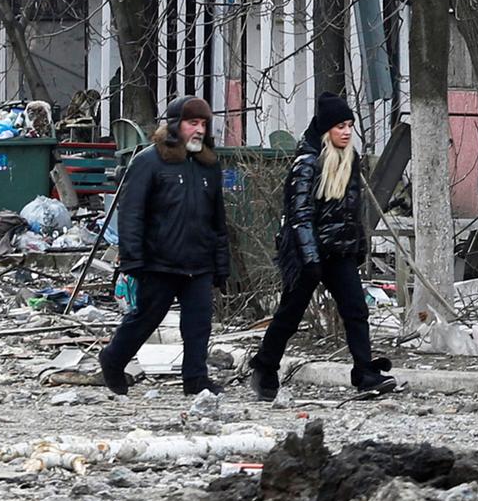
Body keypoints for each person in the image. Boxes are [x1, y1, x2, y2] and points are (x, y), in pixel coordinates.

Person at [250, 93, 394, 400]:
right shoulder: (307, 164)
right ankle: (265, 365)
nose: (346, 131)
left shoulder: (350, 159)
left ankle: (365, 373)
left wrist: (357, 248)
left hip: (339, 251)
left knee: (356, 310)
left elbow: (353, 210)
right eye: (340, 126)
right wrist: (311, 259)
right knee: (290, 313)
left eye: (350, 125)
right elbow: (300, 216)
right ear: (326, 129)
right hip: (307, 252)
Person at [98, 96, 230, 396]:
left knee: (199, 324)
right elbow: (131, 214)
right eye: (192, 123)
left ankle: (196, 379)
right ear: (174, 126)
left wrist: (221, 265)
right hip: (159, 261)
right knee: (146, 318)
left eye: (203, 124)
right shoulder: (149, 161)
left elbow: (218, 220)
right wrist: (132, 260)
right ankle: (113, 358)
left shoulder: (209, 165)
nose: (199, 130)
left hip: (199, 261)